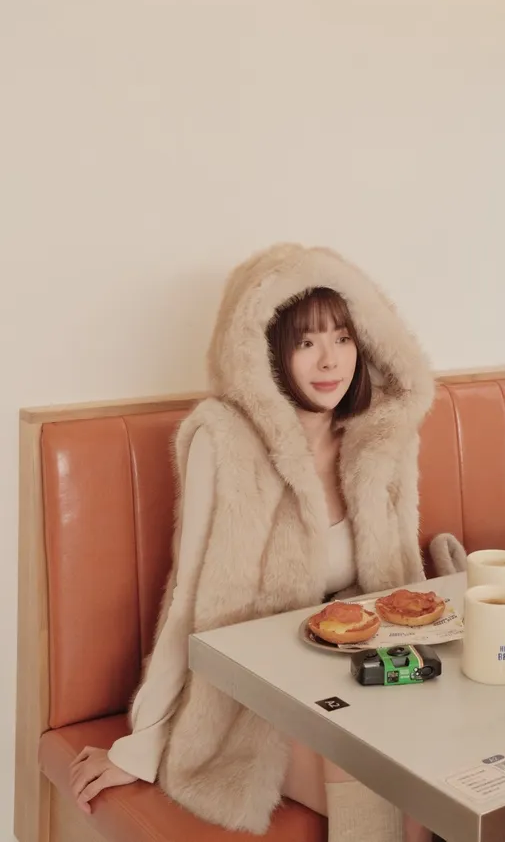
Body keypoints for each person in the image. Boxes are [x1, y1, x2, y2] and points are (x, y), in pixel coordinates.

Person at [69, 244, 435, 842]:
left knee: (426, 774)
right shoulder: (223, 441)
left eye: (343, 338)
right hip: (253, 694)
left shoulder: (381, 439)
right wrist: (142, 743)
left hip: (360, 678)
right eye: (306, 341)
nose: (330, 360)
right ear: (266, 350)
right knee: (375, 780)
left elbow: (401, 583)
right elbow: (189, 598)